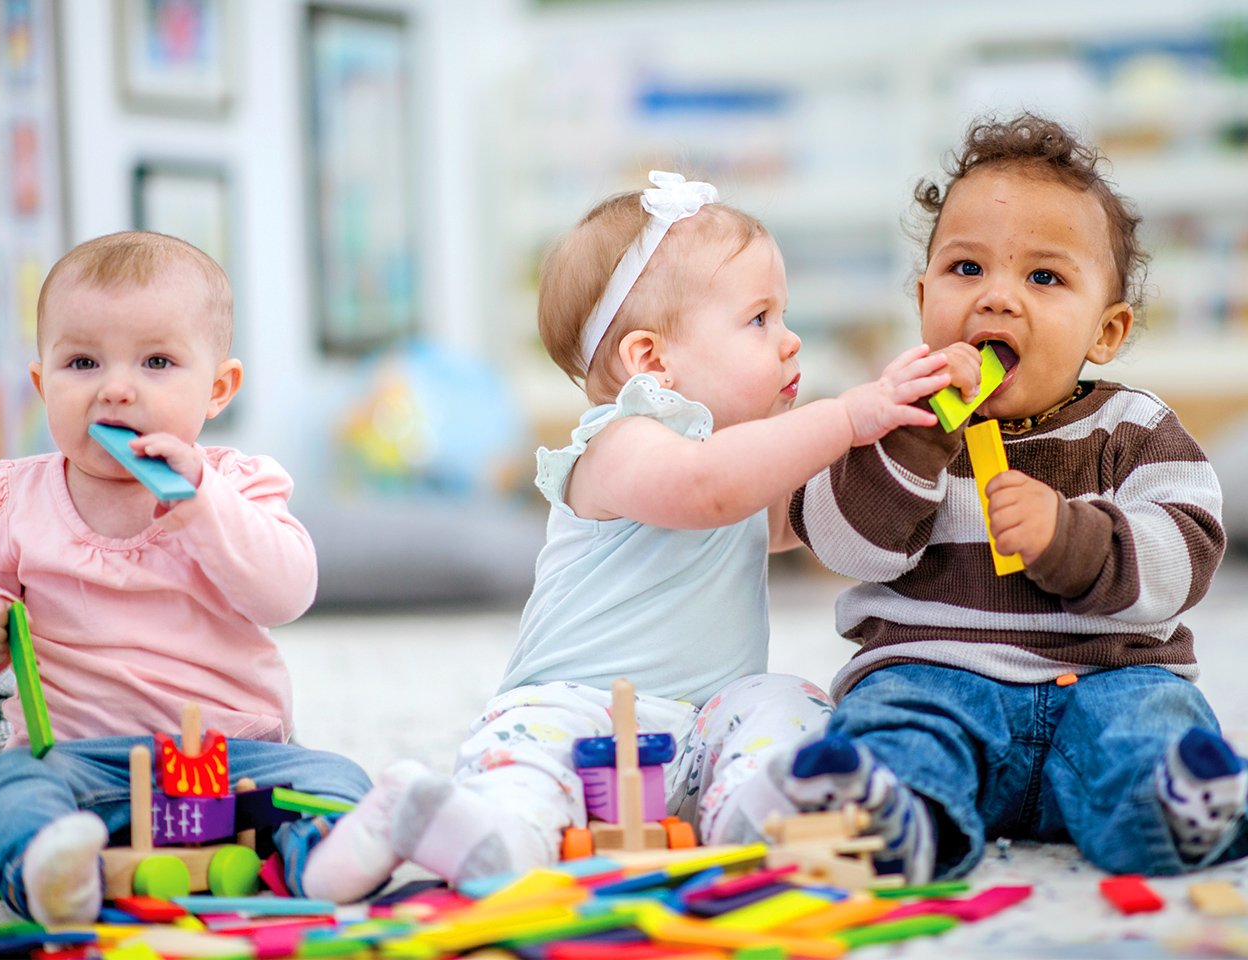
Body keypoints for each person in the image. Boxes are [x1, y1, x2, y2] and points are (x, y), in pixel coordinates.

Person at [303, 170, 951, 901]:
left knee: (786, 698)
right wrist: (844, 417)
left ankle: (758, 805)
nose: (790, 339)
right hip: (576, 709)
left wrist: (901, 445)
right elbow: (708, 489)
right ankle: (463, 824)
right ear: (651, 361)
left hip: (705, 722)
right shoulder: (620, 444)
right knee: (528, 769)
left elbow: (814, 517)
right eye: (759, 319)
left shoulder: (740, 454)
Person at [786, 113, 1247, 883]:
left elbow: (1187, 555)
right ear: (924, 292)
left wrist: (1073, 538)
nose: (997, 299)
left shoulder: (1133, 428)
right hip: (935, 678)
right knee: (892, 720)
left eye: (1043, 277)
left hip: (1105, 679)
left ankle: (1177, 808)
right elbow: (840, 544)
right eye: (967, 269)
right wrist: (916, 442)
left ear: (1106, 331)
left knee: (1151, 722)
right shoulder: (888, 417)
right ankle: (896, 818)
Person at [0, 231, 371, 923]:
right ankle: (52, 868)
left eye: (157, 361)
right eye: (82, 362)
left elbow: (287, 593)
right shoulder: (11, 500)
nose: (116, 388)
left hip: (232, 753)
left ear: (217, 389)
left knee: (338, 780)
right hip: (80, 760)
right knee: (2, 781)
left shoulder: (239, 487)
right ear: (42, 383)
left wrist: (204, 505)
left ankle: (326, 860)